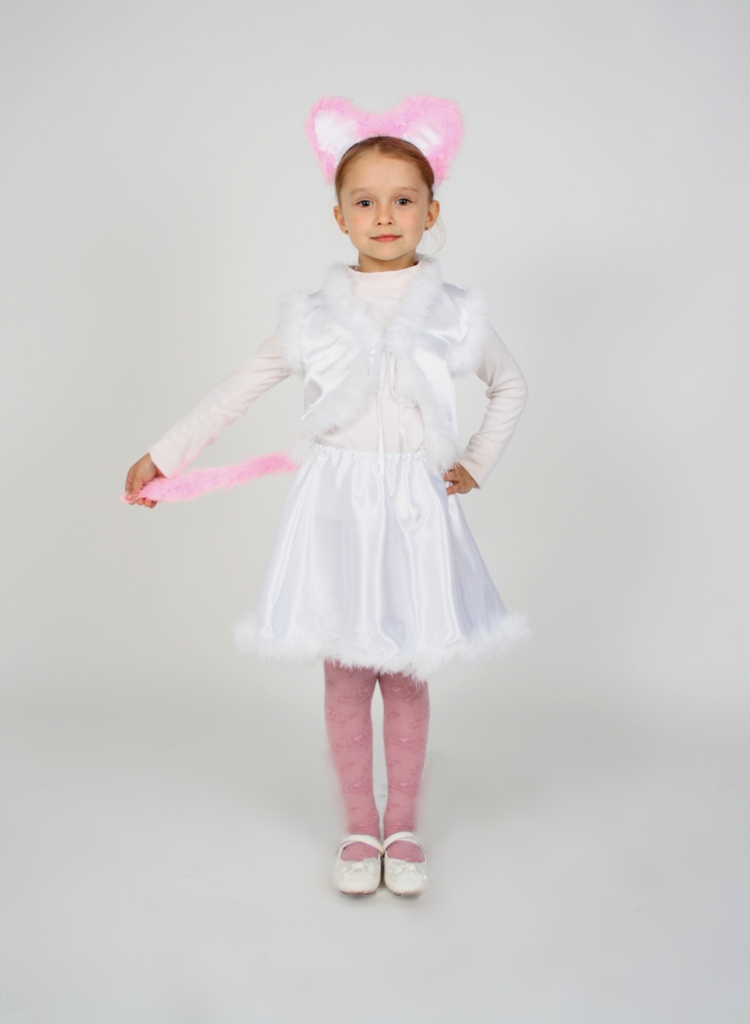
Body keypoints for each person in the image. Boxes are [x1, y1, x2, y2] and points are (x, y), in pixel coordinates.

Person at [125, 96, 529, 897]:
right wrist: (166, 454)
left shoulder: (454, 313)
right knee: (345, 672)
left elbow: (509, 384)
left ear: (431, 212)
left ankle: (402, 826)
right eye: (365, 202)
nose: (385, 217)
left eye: (403, 200)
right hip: (338, 512)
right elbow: (239, 388)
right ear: (339, 217)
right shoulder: (311, 319)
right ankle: (358, 827)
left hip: (413, 510)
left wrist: (476, 460)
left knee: (406, 669)